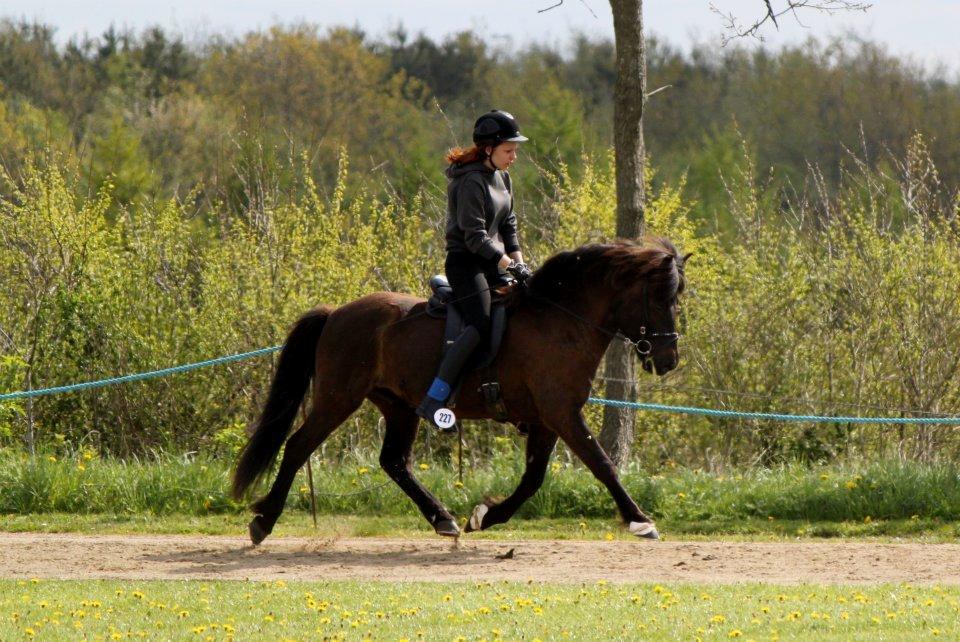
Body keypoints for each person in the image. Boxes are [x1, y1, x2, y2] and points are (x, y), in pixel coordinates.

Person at [416, 109, 534, 431]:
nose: (514, 157)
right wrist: (509, 265)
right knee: (481, 324)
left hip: (494, 262)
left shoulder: (503, 177)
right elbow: (475, 237)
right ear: (488, 149)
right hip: (467, 264)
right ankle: (435, 399)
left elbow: (508, 226)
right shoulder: (469, 182)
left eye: (515, 150)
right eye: (509, 150)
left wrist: (520, 263)